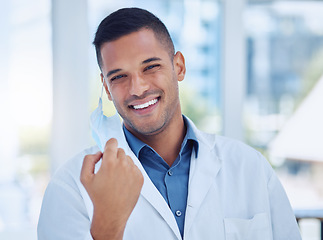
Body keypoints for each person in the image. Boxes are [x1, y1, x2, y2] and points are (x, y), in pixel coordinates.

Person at [38, 7, 301, 240]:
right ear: (106, 87)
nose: (138, 88)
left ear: (179, 67)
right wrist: (107, 229)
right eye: (119, 77)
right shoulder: (70, 188)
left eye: (151, 67)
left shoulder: (250, 167)